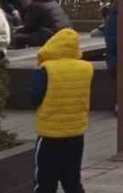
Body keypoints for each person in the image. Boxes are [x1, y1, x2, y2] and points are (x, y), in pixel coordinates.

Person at [32, 28, 94, 193]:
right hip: (76, 135)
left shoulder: (46, 69)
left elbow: (34, 97)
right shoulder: (86, 68)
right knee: (73, 181)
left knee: (44, 182)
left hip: (50, 136)